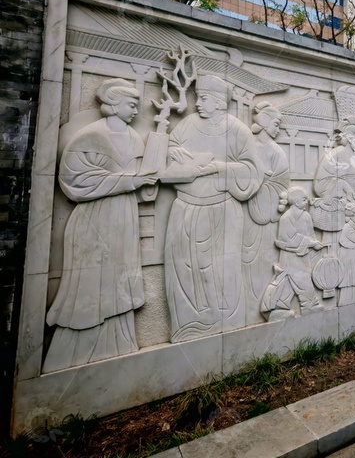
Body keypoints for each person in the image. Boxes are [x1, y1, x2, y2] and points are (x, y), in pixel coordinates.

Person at [44, 79, 156, 372]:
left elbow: (143, 179)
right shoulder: (90, 136)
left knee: (120, 282)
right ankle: (70, 356)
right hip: (94, 218)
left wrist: (149, 178)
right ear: (114, 104)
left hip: (124, 216)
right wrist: (129, 180)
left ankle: (119, 346)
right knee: (90, 286)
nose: (136, 110)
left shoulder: (133, 137)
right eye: (131, 104)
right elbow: (74, 182)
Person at [163, 75, 263, 342]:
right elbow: (170, 149)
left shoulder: (237, 130)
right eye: (197, 98)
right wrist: (179, 157)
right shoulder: (186, 125)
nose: (197, 104)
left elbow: (253, 172)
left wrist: (217, 168)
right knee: (185, 268)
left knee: (221, 269)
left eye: (204, 99)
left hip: (222, 211)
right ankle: (189, 324)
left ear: (219, 103)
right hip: (185, 208)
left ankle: (224, 321)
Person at [243, 101, 290, 325]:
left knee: (266, 261)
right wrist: (254, 178)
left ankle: (266, 305)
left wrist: (264, 182)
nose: (277, 129)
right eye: (275, 123)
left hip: (267, 213)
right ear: (262, 121)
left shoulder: (276, 151)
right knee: (245, 260)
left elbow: (281, 184)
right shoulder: (246, 145)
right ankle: (245, 307)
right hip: (246, 214)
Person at [261, 187, 323, 320]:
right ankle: (309, 306)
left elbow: (311, 235)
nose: (307, 202)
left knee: (290, 283)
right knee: (302, 281)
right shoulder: (286, 218)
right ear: (295, 201)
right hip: (290, 257)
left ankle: (277, 309)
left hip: (303, 256)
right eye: (304, 199)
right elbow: (289, 239)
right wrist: (310, 243)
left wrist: (315, 243)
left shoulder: (306, 216)